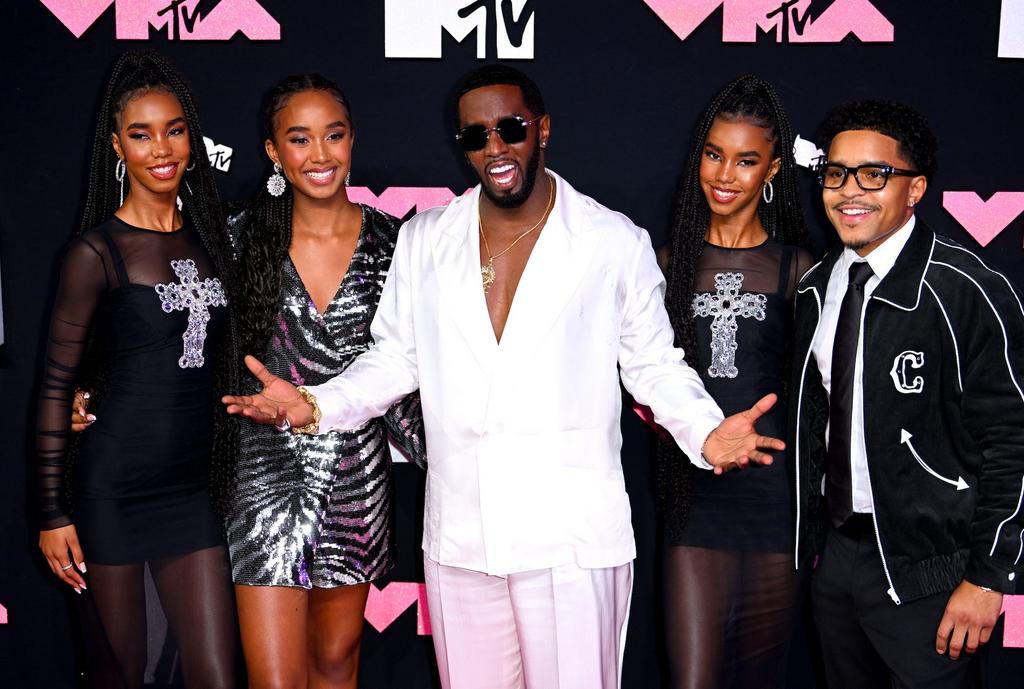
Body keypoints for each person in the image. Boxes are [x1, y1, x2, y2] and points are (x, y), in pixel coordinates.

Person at [223, 64, 784, 689]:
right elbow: (395, 359)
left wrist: (706, 434)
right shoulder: (427, 238)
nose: (496, 147)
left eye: (511, 128)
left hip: (569, 544)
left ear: (542, 130)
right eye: (475, 135)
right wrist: (314, 404)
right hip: (462, 539)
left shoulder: (610, 240)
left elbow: (653, 362)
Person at [793, 100, 1024, 688]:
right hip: (839, 562)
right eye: (837, 172)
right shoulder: (817, 288)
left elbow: (1011, 440)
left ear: (914, 188)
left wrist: (990, 578)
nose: (850, 190)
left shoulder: (965, 290)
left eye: (875, 174)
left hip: (935, 572)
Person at [35, 51, 236, 688]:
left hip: (189, 494)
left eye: (175, 129)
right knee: (123, 676)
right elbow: (54, 386)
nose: (162, 148)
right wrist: (50, 512)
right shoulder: (95, 253)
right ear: (117, 145)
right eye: (142, 134)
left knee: (215, 675)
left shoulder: (214, 243)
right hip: (111, 494)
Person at [224, 74, 425, 689]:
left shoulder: (397, 243)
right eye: (300, 139)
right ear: (273, 152)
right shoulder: (239, 239)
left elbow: (421, 364)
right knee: (277, 678)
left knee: (338, 663)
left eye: (333, 136)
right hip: (262, 476)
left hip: (354, 476)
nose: (319, 156)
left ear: (352, 140)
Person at [657, 75, 813, 689]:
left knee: (759, 679)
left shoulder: (798, 269)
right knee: (693, 680)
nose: (725, 174)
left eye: (746, 160)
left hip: (775, 497)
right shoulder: (668, 265)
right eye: (715, 154)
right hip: (694, 496)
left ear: (772, 169)